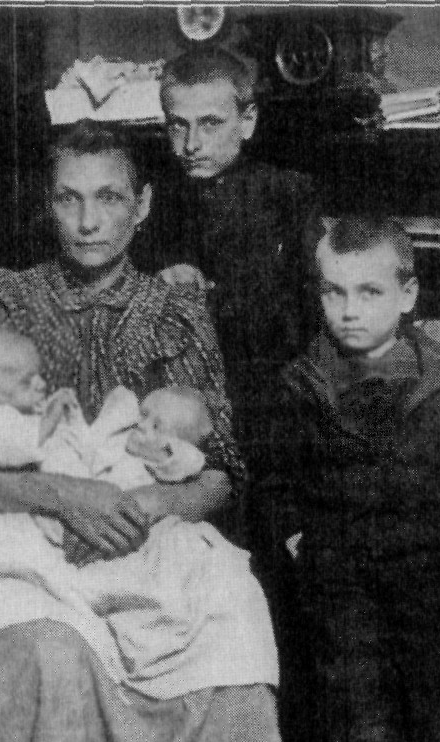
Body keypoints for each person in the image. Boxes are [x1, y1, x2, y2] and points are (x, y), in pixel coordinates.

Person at [0, 120, 294, 742]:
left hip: (142, 534)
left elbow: (218, 472)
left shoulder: (175, 311)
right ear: (47, 205)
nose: (87, 222)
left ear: (142, 205)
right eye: (68, 199)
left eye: (108, 198)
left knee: (232, 615)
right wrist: (62, 497)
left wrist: (144, 506)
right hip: (20, 536)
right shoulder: (4, 300)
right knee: (52, 650)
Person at [0, 325, 277, 700]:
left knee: (225, 607)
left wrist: (151, 501)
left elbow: (219, 464)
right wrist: (62, 495)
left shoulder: (171, 314)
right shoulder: (3, 313)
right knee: (49, 642)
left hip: (147, 513)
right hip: (25, 513)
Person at [257, 215, 440, 742]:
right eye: (334, 292)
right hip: (343, 581)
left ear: (408, 294)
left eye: (370, 292)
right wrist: (301, 540)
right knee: (362, 729)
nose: (350, 310)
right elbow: (276, 480)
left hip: (439, 573)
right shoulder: (301, 383)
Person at [150, 46, 320, 527]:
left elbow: (308, 313)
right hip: (178, 396)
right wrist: (159, 284)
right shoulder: (151, 200)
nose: (191, 144)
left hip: (266, 396)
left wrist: (217, 299)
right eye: (177, 126)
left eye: (210, 124)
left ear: (247, 122)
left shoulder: (287, 193)